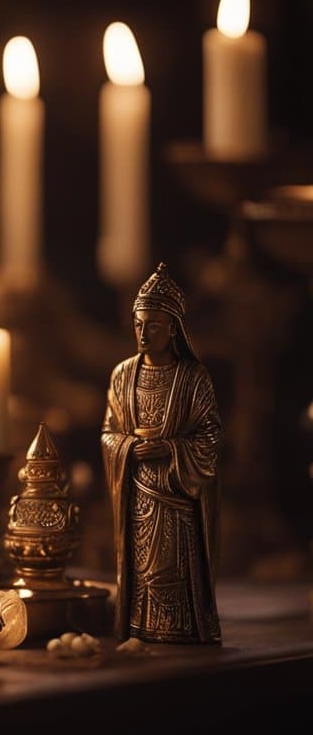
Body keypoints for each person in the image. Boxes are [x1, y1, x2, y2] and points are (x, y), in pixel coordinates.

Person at [100, 263, 222, 644]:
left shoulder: (193, 377)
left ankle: (181, 627)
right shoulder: (122, 375)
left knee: (172, 571)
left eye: (153, 326)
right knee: (141, 571)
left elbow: (210, 436)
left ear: (173, 328)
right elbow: (109, 433)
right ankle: (138, 626)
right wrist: (129, 448)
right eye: (138, 325)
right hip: (136, 496)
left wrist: (169, 449)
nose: (143, 334)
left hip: (176, 499)